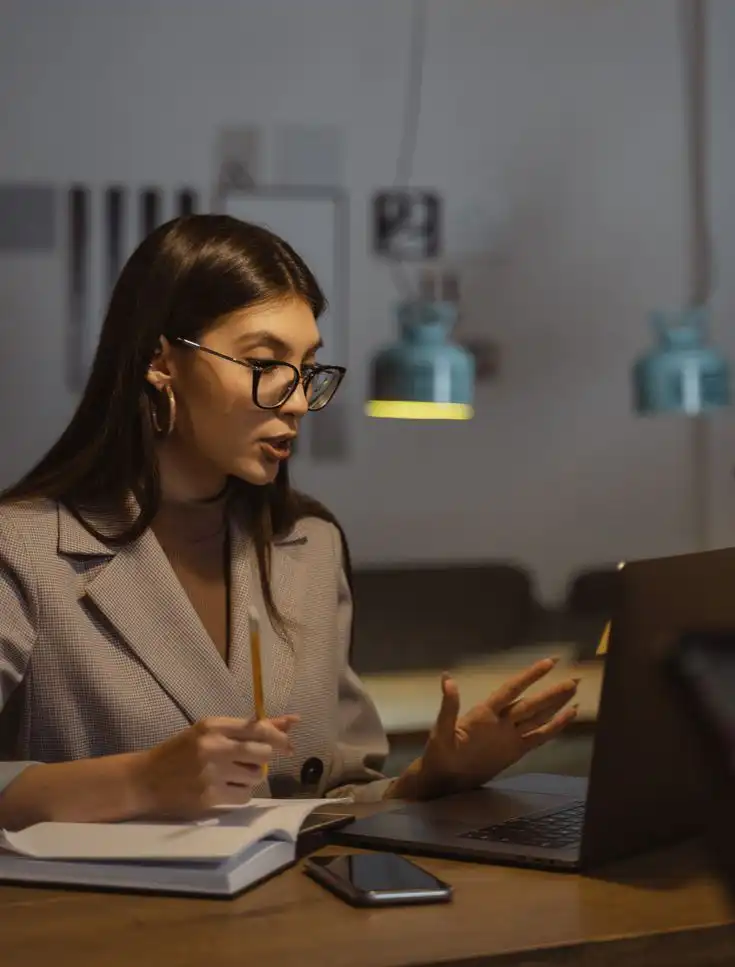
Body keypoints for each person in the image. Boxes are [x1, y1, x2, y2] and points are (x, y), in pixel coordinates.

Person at [0, 215, 578, 830]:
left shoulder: (309, 547)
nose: (299, 400)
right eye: (264, 362)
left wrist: (432, 778)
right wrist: (138, 781)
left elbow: (333, 796)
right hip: (113, 922)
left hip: (298, 916)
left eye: (305, 367)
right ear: (160, 361)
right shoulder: (25, 548)